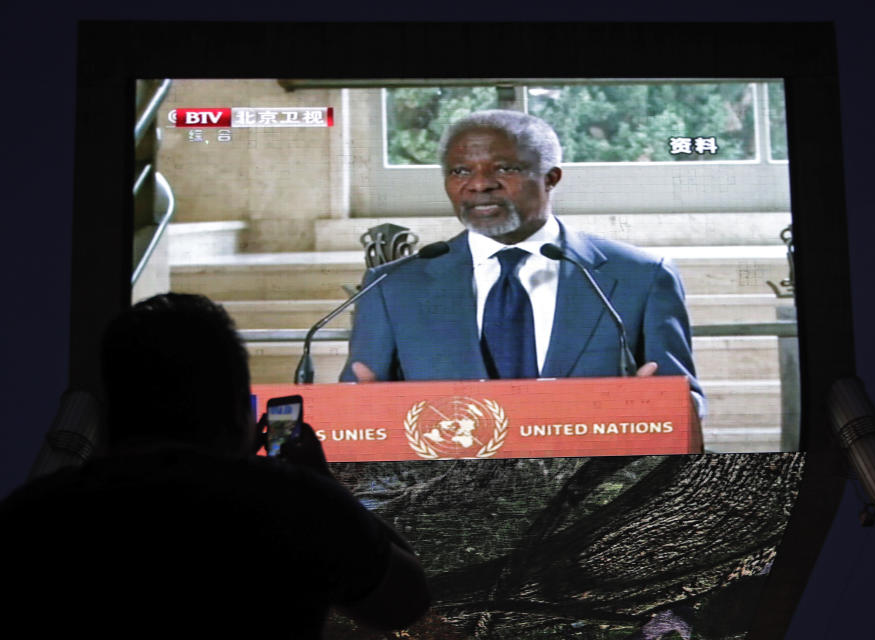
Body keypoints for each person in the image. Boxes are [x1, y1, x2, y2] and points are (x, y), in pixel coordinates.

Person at [0, 293, 429, 639]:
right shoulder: (293, 502)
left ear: (113, 412)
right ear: (238, 414)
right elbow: (404, 602)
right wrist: (321, 480)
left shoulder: (34, 512)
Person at [339, 109, 704, 416]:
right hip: (449, 495)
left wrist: (663, 407)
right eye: (460, 171)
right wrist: (365, 411)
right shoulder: (392, 287)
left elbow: (686, 401)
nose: (479, 184)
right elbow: (361, 408)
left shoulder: (640, 277)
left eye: (505, 168)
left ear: (551, 178)